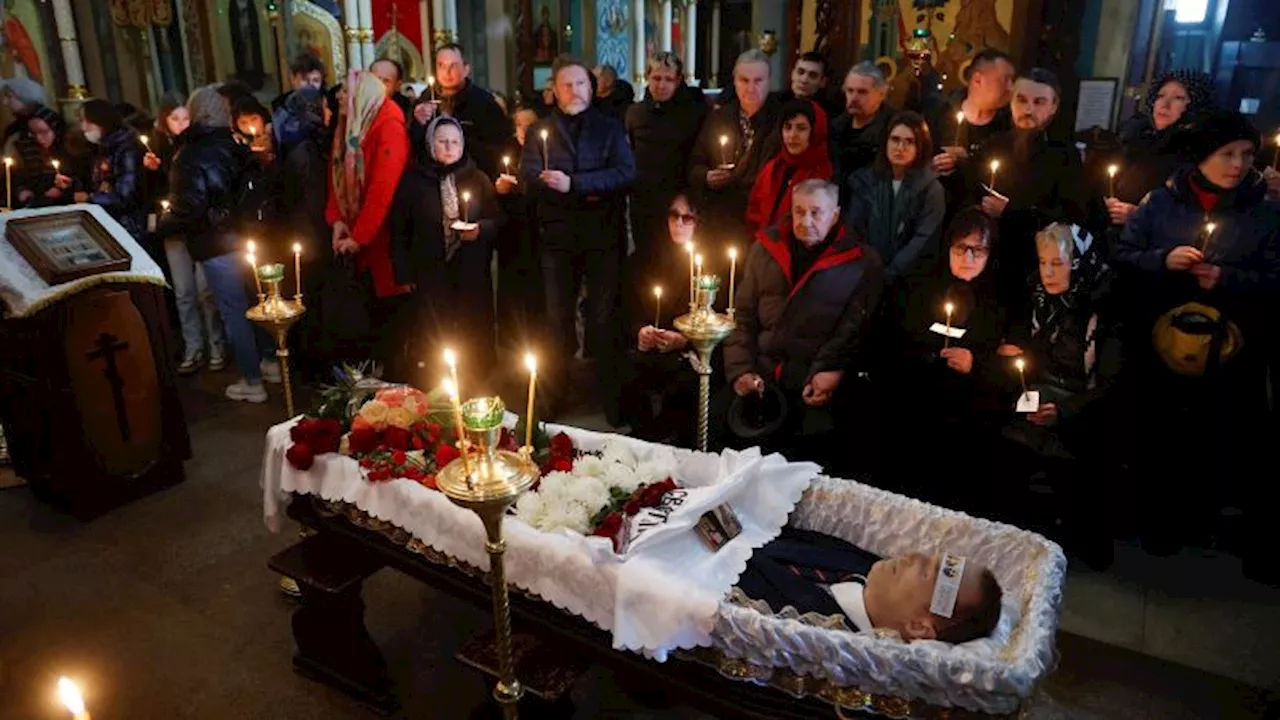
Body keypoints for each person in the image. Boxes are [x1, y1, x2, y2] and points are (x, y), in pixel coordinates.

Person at [1113, 111, 1279, 568]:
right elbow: (1125, 255)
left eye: (1247, 155)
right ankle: (1154, 522)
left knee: (1211, 439)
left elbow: (1274, 276)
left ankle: (1198, 522)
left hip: (1227, 353)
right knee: (1159, 435)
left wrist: (1226, 276)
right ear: (1202, 157)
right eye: (1227, 154)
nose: (1239, 164)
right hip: (1160, 346)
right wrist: (1163, 260)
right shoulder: (1161, 204)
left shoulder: (1264, 212)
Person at [720, 179, 884, 468]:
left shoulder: (861, 263)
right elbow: (741, 317)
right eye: (799, 211)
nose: (805, 221)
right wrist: (740, 371)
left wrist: (829, 371)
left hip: (813, 379)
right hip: (762, 376)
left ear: (834, 216)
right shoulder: (765, 250)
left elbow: (853, 330)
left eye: (816, 212)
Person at [520, 56, 636, 423]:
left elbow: (625, 173)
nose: (574, 90)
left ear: (592, 87)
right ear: (554, 92)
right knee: (557, 319)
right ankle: (555, 398)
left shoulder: (610, 127)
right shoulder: (542, 129)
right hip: (557, 239)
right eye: (566, 85)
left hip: (603, 237)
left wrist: (576, 185)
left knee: (603, 319)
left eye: (581, 83)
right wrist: (568, 190)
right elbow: (529, 176)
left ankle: (608, 398)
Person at [999, 223, 1121, 567]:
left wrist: (1064, 412)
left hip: (1084, 408)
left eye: (1059, 263)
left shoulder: (1105, 311)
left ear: (1079, 263)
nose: (1048, 273)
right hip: (1041, 393)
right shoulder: (1038, 300)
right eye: (1042, 263)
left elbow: (1112, 386)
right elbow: (1031, 354)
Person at [875, 208, 1006, 500]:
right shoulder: (919, 285)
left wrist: (976, 363)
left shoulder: (997, 302)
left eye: (979, 251)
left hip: (965, 411)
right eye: (962, 248)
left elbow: (1005, 362)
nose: (969, 259)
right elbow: (894, 338)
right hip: (914, 396)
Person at [153, 85, 273, 402]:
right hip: (248, 240)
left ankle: (252, 381)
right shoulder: (235, 145)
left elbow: (189, 207)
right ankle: (270, 362)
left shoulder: (189, 154)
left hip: (216, 244)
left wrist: (163, 226)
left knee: (235, 313)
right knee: (257, 303)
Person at [736, 527, 1003, 643]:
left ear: (919, 626)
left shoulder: (820, 634)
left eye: (926, 572)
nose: (914, 556)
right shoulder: (862, 564)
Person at [391, 116, 503, 379]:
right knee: (435, 326)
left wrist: (479, 230)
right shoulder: (414, 180)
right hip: (430, 268)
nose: (449, 147)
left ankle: (474, 374)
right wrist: (403, 271)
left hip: (470, 268)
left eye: (455, 142)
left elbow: (497, 220)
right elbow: (399, 229)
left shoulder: (477, 178)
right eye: (442, 141)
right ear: (431, 144)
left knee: (471, 323)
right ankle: (438, 376)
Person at [974, 68, 1091, 304]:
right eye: (1022, 100)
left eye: (1039, 102)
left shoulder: (1065, 156)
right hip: (989, 262)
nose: (1028, 110)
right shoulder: (992, 146)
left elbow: (1071, 216)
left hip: (1036, 267)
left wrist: (1011, 211)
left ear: (1053, 107)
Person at [328, 70, 413, 379]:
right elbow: (337, 169)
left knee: (390, 321)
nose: (338, 96)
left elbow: (383, 189)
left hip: (386, 241)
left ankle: (394, 389)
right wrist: (338, 219)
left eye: (344, 91)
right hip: (361, 237)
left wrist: (359, 237)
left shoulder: (388, 124)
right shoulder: (352, 123)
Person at [625, 51, 709, 316]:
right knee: (648, 266)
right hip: (644, 206)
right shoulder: (635, 113)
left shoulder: (693, 113)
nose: (661, 85)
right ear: (647, 78)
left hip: (678, 206)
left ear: (678, 80)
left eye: (668, 79)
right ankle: (649, 321)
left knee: (677, 268)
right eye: (656, 78)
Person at [618, 194, 705, 444]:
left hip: (689, 349)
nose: (678, 223)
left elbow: (716, 315)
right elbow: (628, 308)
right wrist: (641, 332)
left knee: (684, 383)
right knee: (628, 367)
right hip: (652, 343)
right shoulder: (645, 259)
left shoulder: (709, 263)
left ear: (698, 222)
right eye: (673, 215)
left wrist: (684, 339)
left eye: (687, 217)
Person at [1105, 69, 1215, 232]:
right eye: (1160, 96)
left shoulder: (1197, 155)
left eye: (1178, 98)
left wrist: (1139, 216)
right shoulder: (1135, 138)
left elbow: (1194, 220)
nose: (1165, 104)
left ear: (1196, 105)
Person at [689, 49, 781, 243]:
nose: (750, 88)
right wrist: (706, 176)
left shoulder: (780, 120)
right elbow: (695, 161)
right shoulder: (719, 118)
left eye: (758, 81)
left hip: (764, 220)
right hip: (723, 218)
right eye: (744, 80)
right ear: (734, 81)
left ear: (769, 81)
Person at [844, 111, 945, 284]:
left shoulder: (930, 189)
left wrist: (890, 273)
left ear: (920, 147)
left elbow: (923, 239)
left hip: (908, 281)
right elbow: (854, 227)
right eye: (895, 139)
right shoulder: (865, 181)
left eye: (909, 142)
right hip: (865, 274)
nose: (900, 148)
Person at [411, 43, 511, 179]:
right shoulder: (425, 100)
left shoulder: (483, 102)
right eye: (441, 66)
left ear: (466, 69)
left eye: (453, 66)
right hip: (430, 178)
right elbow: (413, 144)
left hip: (472, 176)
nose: (447, 72)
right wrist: (417, 122)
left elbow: (498, 147)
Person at [746, 99, 833, 232]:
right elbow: (754, 212)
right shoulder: (773, 168)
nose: (792, 135)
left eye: (801, 128)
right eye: (787, 127)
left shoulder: (824, 173)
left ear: (816, 132)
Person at [78, 100, 149, 248]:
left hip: (129, 226)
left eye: (87, 121)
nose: (83, 127)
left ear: (102, 121)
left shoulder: (126, 149)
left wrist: (90, 198)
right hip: (113, 223)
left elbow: (124, 196)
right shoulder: (102, 148)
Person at [830, 62, 894, 188]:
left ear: (881, 94)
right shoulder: (836, 128)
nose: (854, 98)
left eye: (862, 92)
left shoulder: (894, 129)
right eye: (850, 91)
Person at [12, 106, 69, 208]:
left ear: (55, 129)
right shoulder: (26, 148)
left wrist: (63, 190)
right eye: (33, 133)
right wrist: (21, 190)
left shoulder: (69, 150)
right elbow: (17, 177)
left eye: (44, 132)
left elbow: (77, 181)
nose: (38, 138)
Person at [775, 51, 843, 120]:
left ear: (823, 81)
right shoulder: (773, 102)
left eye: (812, 75)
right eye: (800, 72)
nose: (804, 80)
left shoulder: (830, 114)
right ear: (792, 74)